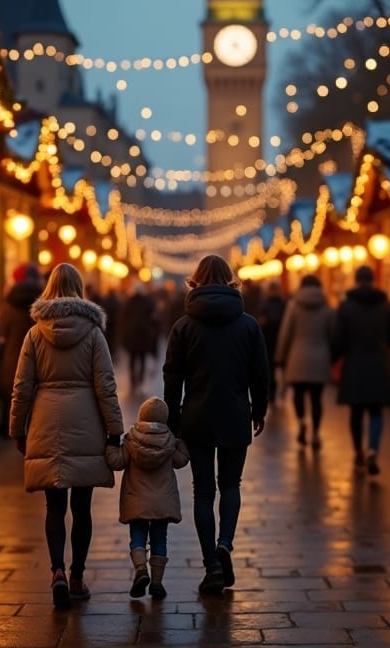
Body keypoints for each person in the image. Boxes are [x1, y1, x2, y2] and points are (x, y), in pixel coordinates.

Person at [9, 262, 124, 610]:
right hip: (86, 423)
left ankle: (56, 570)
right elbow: (106, 385)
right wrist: (114, 429)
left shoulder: (34, 334)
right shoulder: (93, 333)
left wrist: (17, 428)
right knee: (82, 507)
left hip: (45, 421)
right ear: (79, 289)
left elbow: (22, 386)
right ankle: (76, 576)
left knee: (54, 506)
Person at [163, 254, 268, 595]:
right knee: (231, 485)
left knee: (204, 492)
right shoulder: (249, 324)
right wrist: (259, 409)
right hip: (237, 413)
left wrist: (173, 417)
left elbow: (172, 376)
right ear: (230, 281)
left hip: (197, 416)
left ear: (195, 282)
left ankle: (211, 565)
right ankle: (225, 544)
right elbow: (260, 373)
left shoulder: (183, 326)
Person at [106, 396, 189, 600]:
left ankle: (141, 569)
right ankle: (157, 583)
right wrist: (182, 442)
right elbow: (182, 461)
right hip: (162, 504)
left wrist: (110, 446)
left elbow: (116, 462)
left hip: (137, 502)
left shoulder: (130, 440)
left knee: (138, 537)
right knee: (160, 539)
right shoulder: (170, 442)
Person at [331, 264, 390, 476]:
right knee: (376, 411)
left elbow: (338, 339)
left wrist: (334, 357)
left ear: (356, 279)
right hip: (379, 364)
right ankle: (373, 448)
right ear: (373, 280)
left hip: (354, 365)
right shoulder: (386, 307)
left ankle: (358, 451)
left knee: (356, 412)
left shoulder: (346, 307)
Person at [274, 273, 336, 450]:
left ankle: (302, 422)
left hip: (297, 357)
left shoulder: (294, 305)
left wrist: (280, 357)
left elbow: (285, 334)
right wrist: (332, 354)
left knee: (298, 395)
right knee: (317, 398)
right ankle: (316, 432)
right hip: (320, 357)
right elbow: (333, 334)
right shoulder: (326, 306)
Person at [0, 263, 44, 436]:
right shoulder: (43, 305)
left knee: (12, 401)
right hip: (38, 362)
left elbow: (1, 336)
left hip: (11, 361)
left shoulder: (8, 306)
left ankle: (11, 432)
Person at [120, 282, 159, 392]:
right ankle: (140, 380)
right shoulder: (147, 302)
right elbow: (153, 318)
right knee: (142, 359)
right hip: (143, 335)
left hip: (132, 335)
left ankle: (133, 381)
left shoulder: (129, 301)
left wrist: (124, 333)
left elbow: (123, 319)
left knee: (132, 359)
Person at [255, 279, 287, 406]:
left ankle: (272, 393)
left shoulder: (264, 305)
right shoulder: (284, 304)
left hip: (268, 341)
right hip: (282, 340)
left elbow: (259, 323)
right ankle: (282, 391)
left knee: (270, 369)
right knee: (283, 368)